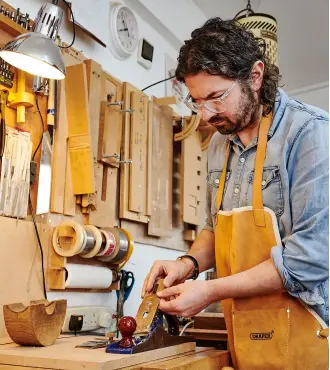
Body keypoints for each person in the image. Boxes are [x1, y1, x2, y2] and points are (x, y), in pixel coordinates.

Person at [142, 18, 329, 369]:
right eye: (197, 101)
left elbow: (312, 258)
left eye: (216, 97)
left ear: (255, 77)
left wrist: (211, 290)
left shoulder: (309, 133)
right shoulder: (218, 144)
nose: (207, 113)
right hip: (245, 337)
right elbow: (217, 229)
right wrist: (188, 264)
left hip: (309, 337)